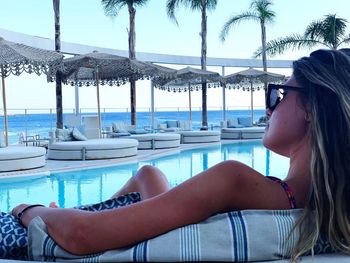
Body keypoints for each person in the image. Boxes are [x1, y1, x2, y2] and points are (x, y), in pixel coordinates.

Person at [11, 49, 350, 261]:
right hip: (163, 217)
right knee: (147, 173)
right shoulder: (318, 208)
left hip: (79, 235)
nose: (269, 106)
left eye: (278, 94)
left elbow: (81, 235)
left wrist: (29, 208)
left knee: (145, 174)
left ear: (310, 105)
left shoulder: (237, 180)